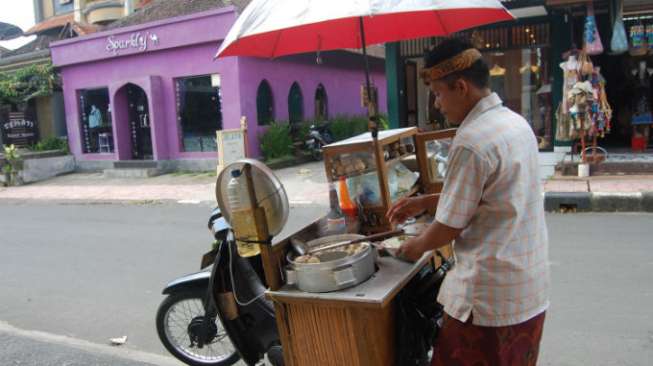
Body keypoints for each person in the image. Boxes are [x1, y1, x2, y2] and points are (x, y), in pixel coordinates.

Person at [387, 38, 550, 366]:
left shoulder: (472, 140)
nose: (436, 104)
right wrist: (426, 202)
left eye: (437, 93)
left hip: (488, 303)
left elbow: (448, 227)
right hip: (529, 293)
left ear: (460, 87)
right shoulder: (515, 123)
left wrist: (411, 247)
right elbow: (493, 195)